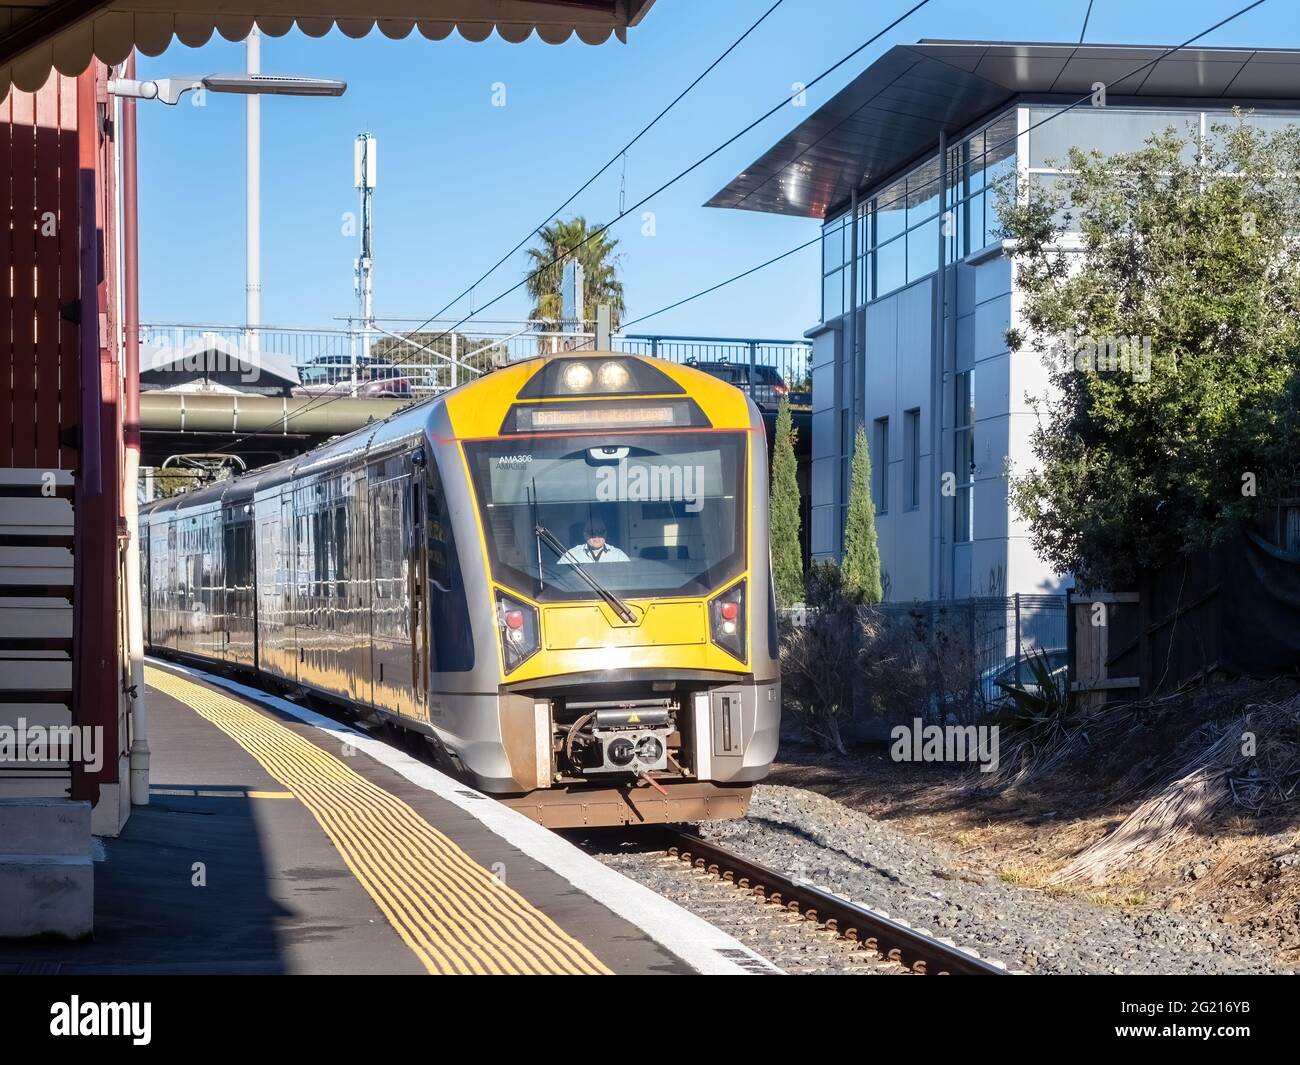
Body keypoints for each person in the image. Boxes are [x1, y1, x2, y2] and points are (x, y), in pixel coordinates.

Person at [560, 519, 629, 564]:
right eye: (591, 532)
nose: (596, 536)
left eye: (600, 532)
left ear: (606, 533)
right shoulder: (571, 555)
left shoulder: (618, 555)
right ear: (585, 534)